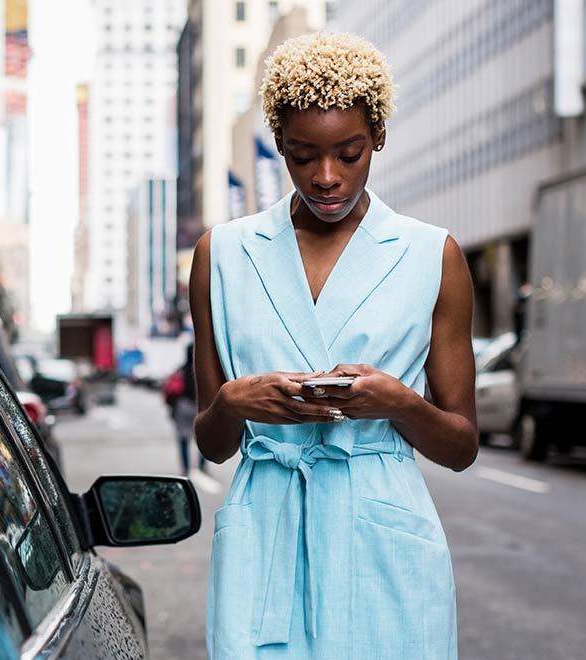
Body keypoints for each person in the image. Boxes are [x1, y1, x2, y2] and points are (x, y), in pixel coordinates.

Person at [189, 33, 476, 659]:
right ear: (278, 145)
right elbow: (212, 446)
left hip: (385, 540)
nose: (326, 177)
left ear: (377, 137)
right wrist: (235, 402)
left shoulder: (433, 256)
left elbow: (461, 446)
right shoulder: (224, 255)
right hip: (264, 531)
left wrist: (400, 403)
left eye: (349, 154)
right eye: (300, 156)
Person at [167, 341, 208, 476]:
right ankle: (202, 465)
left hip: (183, 406)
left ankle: (185, 468)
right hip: (201, 407)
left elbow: (171, 390)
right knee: (204, 438)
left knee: (183, 438)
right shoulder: (205, 370)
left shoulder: (181, 370)